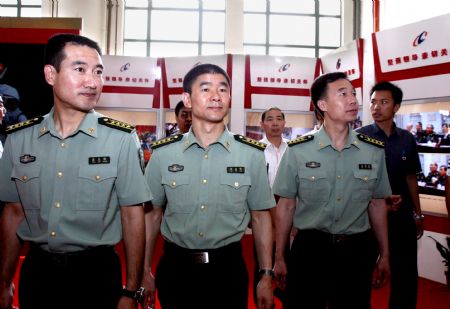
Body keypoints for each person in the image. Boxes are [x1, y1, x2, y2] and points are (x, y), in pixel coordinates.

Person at [0, 34, 152, 309]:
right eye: (80, 69)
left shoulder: (120, 138)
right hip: (38, 275)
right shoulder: (20, 138)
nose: (92, 82)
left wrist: (131, 291)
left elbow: (132, 216)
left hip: (96, 276)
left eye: (98, 72)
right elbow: (13, 212)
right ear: (50, 74)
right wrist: (4, 280)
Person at [142, 63, 275, 309]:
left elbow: (260, 217)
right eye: (206, 89)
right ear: (188, 99)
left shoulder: (250, 154)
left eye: (223, 89)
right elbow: (151, 217)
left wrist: (266, 274)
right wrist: (143, 271)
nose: (216, 96)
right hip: (176, 269)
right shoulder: (163, 154)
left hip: (228, 270)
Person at [273, 72, 391, 309]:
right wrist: (279, 256)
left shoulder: (373, 151)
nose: (352, 100)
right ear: (322, 104)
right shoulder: (297, 151)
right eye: (343, 94)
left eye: (354, 94)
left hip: (356, 251)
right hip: (311, 249)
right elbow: (285, 206)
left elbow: (377, 205)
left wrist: (384, 254)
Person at [357, 81, 424, 309]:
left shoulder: (407, 139)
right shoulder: (359, 138)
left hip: (402, 216)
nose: (376, 107)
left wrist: (418, 213)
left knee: (405, 275)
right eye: (373, 102)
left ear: (396, 107)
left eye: (384, 102)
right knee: (361, 274)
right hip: (367, 217)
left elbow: (410, 178)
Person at [253, 106, 289, 303]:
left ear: (284, 123)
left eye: (278, 119)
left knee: (290, 276)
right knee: (262, 269)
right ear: (262, 124)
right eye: (270, 119)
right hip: (264, 218)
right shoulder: (255, 150)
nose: (275, 123)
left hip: (291, 221)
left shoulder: (294, 149)